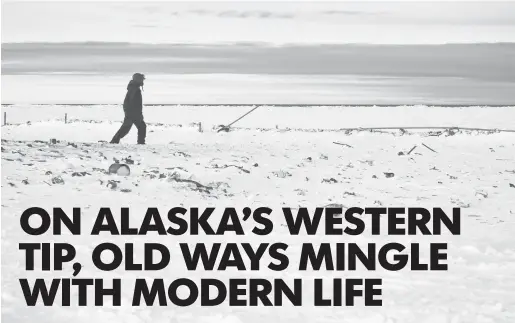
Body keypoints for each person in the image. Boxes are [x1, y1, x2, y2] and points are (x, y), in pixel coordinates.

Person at [110, 73, 147, 144]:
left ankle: (115, 140)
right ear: (138, 80)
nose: (143, 81)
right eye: (142, 79)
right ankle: (141, 142)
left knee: (128, 128)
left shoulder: (134, 88)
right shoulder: (134, 89)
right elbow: (131, 102)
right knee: (138, 127)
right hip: (132, 113)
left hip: (132, 112)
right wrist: (134, 113)